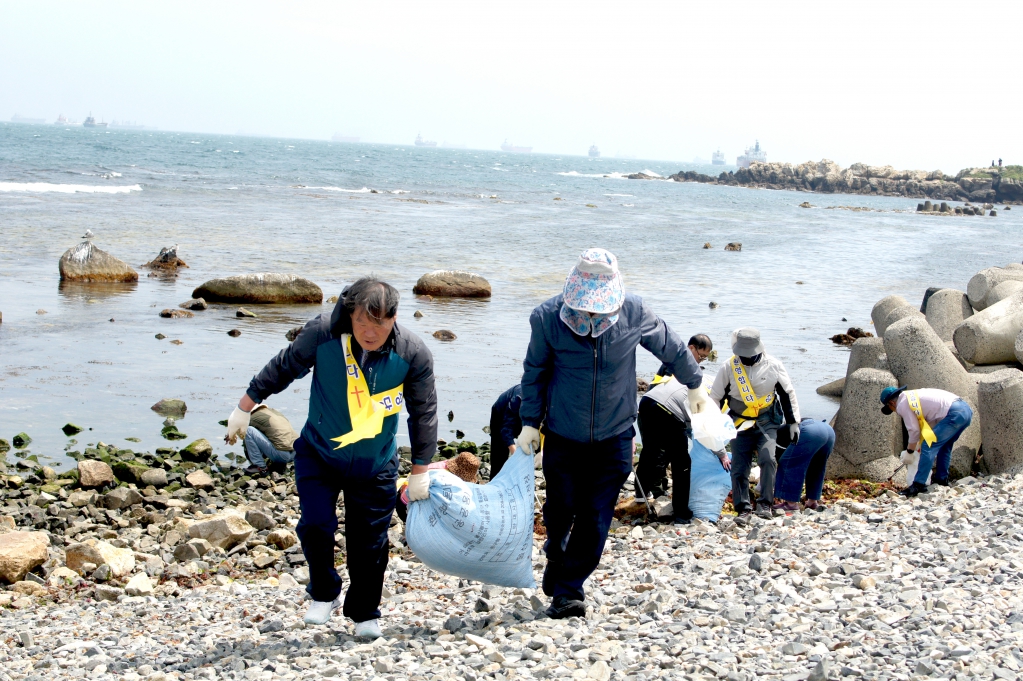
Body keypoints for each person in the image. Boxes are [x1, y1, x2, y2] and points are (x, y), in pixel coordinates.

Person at [225, 277, 438, 638]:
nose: (370, 333)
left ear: (395, 318)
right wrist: (244, 407)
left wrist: (420, 469)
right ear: (349, 314)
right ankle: (323, 593)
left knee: (369, 541)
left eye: (380, 324)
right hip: (320, 454)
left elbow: (424, 411)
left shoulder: (413, 353)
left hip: (375, 462)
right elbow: (285, 366)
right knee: (316, 525)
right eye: (362, 323)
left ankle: (364, 611)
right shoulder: (324, 334)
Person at [517, 248, 709, 619]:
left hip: (616, 435)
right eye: (585, 307)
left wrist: (695, 385)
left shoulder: (634, 312)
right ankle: (557, 552)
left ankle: (569, 589)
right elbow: (535, 371)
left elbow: (671, 346)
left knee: (595, 514)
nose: (591, 313)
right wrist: (529, 422)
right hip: (563, 434)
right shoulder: (546, 318)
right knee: (560, 509)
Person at [710, 328, 800, 524]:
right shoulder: (729, 367)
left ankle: (765, 504)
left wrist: (794, 422)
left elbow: (787, 394)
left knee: (768, 459)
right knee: (739, 467)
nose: (746, 358)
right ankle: (742, 508)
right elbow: (715, 398)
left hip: (766, 421)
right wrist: (715, 424)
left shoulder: (774, 365)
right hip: (739, 423)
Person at [634, 334, 720, 524]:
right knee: (682, 462)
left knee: (650, 450)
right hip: (666, 409)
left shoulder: (678, 364)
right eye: (702, 355)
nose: (702, 360)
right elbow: (703, 422)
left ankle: (640, 495)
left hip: (648, 403)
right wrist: (720, 452)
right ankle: (681, 512)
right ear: (691, 348)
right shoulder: (695, 378)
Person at [880, 386, 972, 496]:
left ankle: (918, 484)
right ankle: (941, 480)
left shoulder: (902, 404)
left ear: (891, 403)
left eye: (891, 409)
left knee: (928, 446)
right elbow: (932, 423)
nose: (895, 411)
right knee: (944, 446)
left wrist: (910, 451)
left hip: (953, 413)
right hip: (965, 411)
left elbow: (914, 430)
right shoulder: (912, 396)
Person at [772, 418, 835, 514]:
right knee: (816, 466)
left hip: (810, 431)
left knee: (789, 463)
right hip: (829, 430)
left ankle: (790, 504)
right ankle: (812, 502)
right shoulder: (789, 427)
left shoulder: (779, 433)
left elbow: (780, 457)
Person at [239, 404, 299, 476]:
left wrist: (252, 460)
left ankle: (260, 467)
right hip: (297, 452)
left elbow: (246, 439)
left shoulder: (252, 418)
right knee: (274, 435)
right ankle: (279, 464)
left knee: (248, 430)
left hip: (282, 456)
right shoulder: (274, 412)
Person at [488, 383, 522, 478]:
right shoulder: (518, 398)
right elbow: (506, 429)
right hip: (500, 414)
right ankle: (495, 482)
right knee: (500, 455)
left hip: (524, 415)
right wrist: (515, 454)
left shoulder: (545, 397)